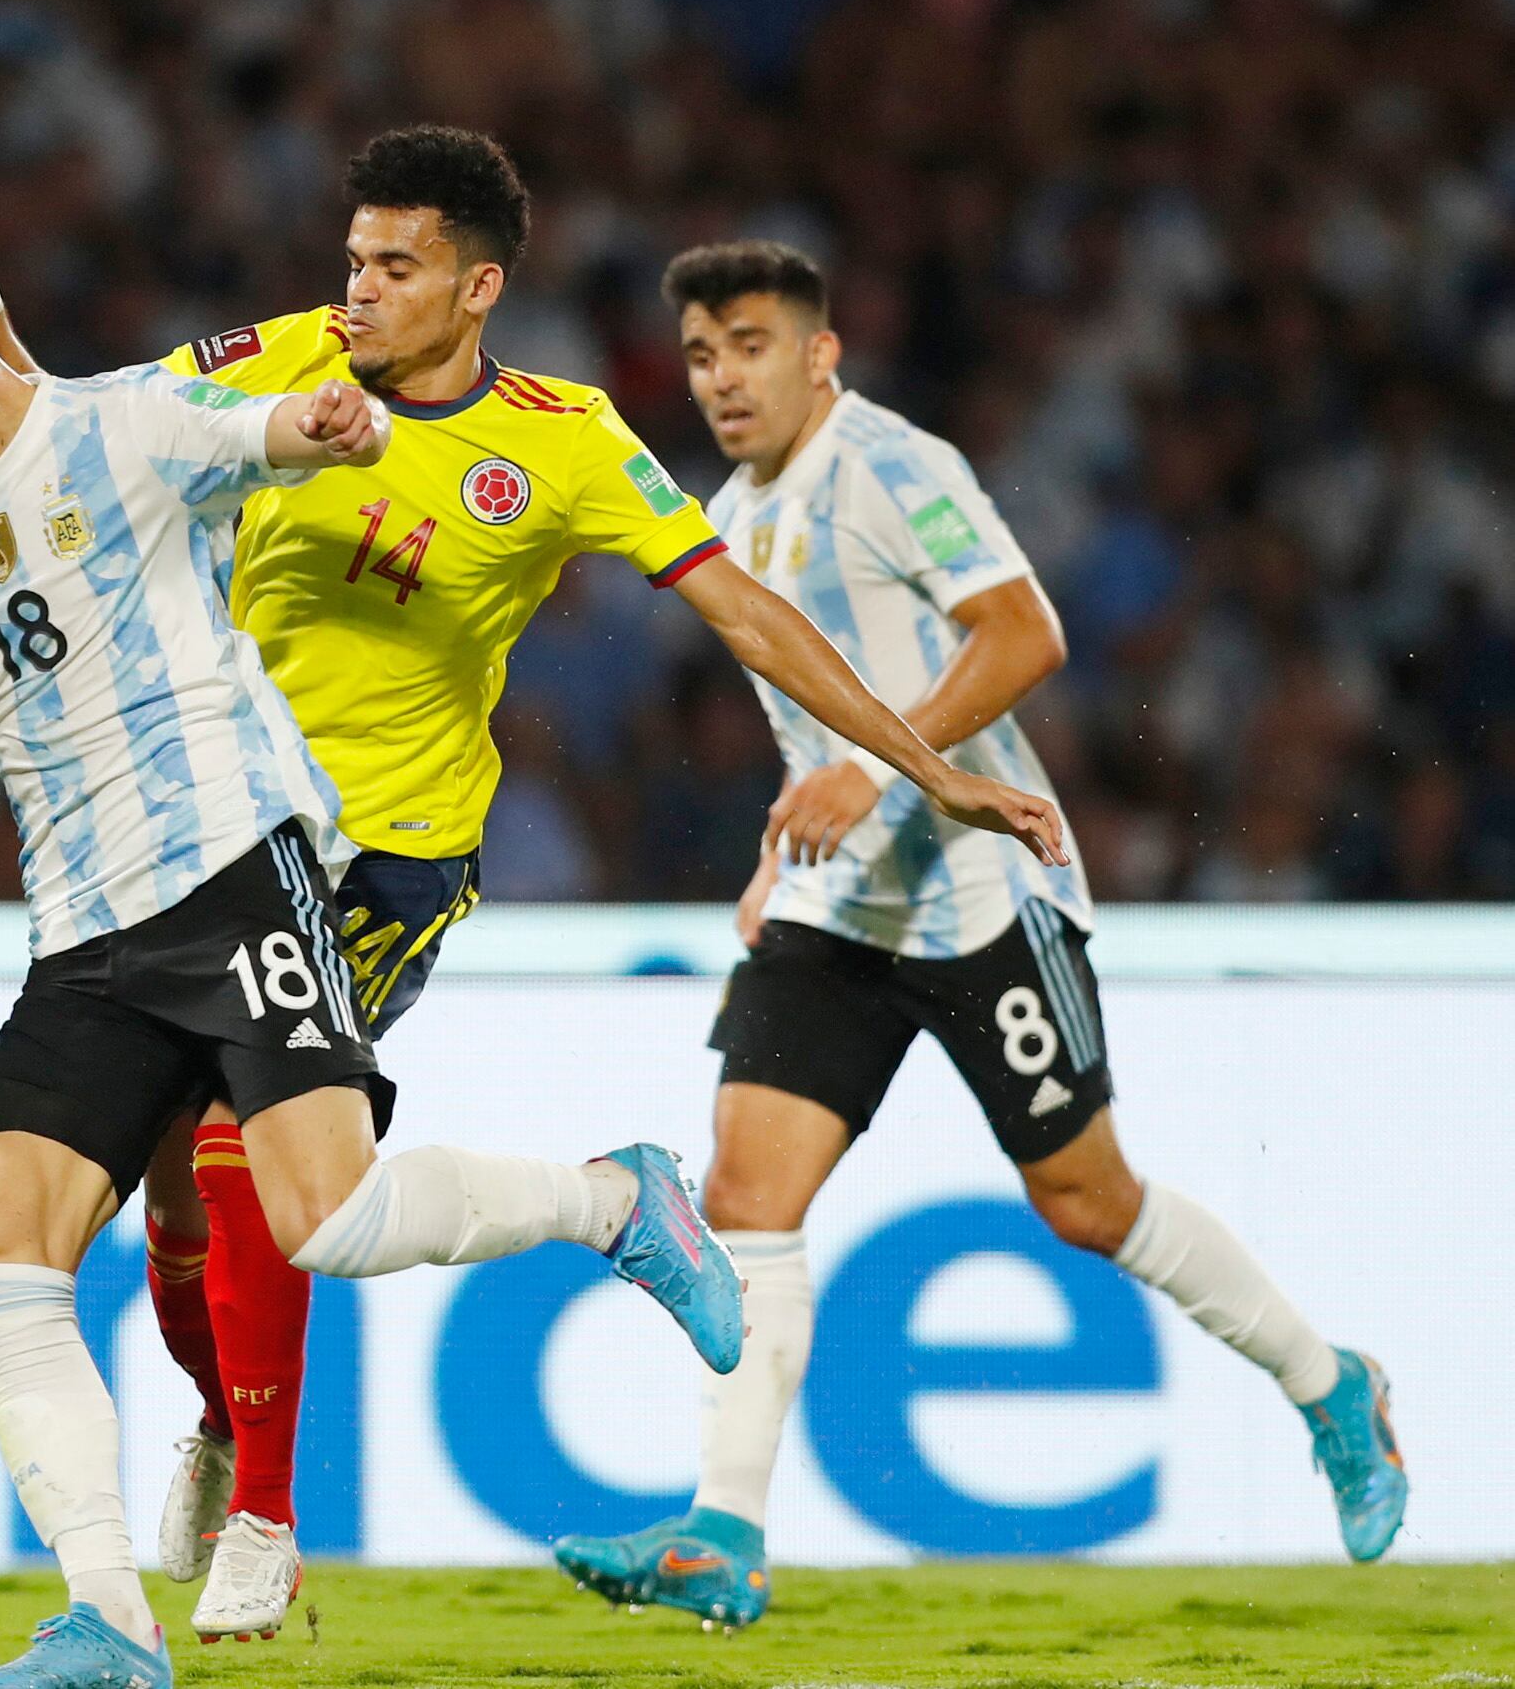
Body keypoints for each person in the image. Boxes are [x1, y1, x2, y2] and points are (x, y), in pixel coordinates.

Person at [0, 128, 1072, 1639]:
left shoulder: (566, 441)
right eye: (351, 261)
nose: (358, 291)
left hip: (386, 857)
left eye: (394, 267)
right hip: (212, 832)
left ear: (477, 285)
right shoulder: (283, 363)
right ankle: (231, 1419)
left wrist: (930, 762)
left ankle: (264, 1508)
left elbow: (751, 617)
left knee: (247, 1155)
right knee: (174, 1222)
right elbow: (66, 424)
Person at [0, 227, 759, 1689]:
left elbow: (266, 425)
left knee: (326, 1218)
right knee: (1, 1251)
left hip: (232, 880)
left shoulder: (121, 428)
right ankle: (107, 1624)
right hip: (78, 934)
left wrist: (320, 424)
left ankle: (614, 1199)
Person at [552, 242, 1408, 1630]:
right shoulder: (728, 513)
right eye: (702, 355)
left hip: (976, 895)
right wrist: (787, 837)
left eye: (752, 346)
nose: (723, 379)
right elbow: (807, 714)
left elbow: (1023, 634)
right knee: (746, 1197)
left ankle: (1331, 1383)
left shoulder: (893, 466)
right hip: (839, 911)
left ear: (822, 352)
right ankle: (723, 1530)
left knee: (1085, 1202)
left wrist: (874, 772)